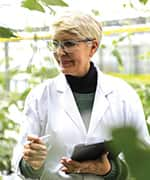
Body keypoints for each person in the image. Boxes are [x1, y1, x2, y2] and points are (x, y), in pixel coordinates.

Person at [12, 11, 150, 180]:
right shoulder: (40, 96)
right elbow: (21, 159)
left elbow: (142, 159)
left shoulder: (123, 95)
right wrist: (31, 162)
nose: (59, 52)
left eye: (68, 44)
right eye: (55, 44)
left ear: (93, 47)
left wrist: (109, 170)